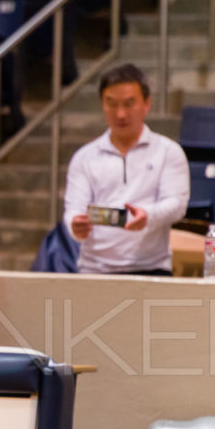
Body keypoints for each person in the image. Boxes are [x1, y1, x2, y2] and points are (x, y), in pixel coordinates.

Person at [63, 63, 189, 275]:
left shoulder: (169, 152)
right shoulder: (84, 157)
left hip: (151, 268)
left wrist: (147, 215)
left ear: (146, 103)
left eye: (129, 104)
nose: (120, 114)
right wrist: (75, 225)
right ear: (102, 104)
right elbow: (73, 209)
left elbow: (177, 204)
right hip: (94, 270)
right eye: (111, 104)